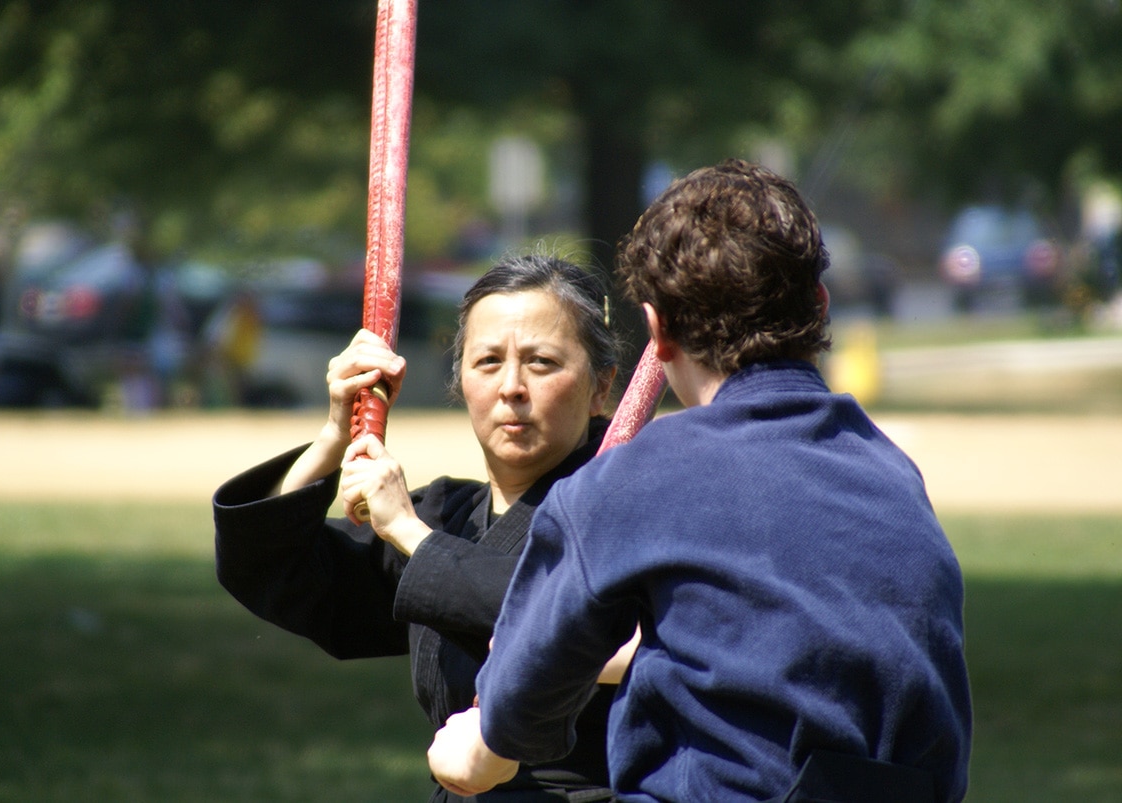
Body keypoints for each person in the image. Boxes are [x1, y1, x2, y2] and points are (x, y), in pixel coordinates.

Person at [427, 160, 973, 802]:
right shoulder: (890, 474)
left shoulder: (635, 480)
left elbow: (520, 692)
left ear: (658, 332)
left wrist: (479, 744)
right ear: (819, 305)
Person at [214, 254, 632, 801]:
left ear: (601, 388)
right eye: (487, 362)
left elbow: (556, 612)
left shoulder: (627, 516)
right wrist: (335, 435)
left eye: (542, 362)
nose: (511, 387)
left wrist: (413, 538)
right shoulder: (448, 515)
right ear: (460, 381)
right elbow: (273, 568)